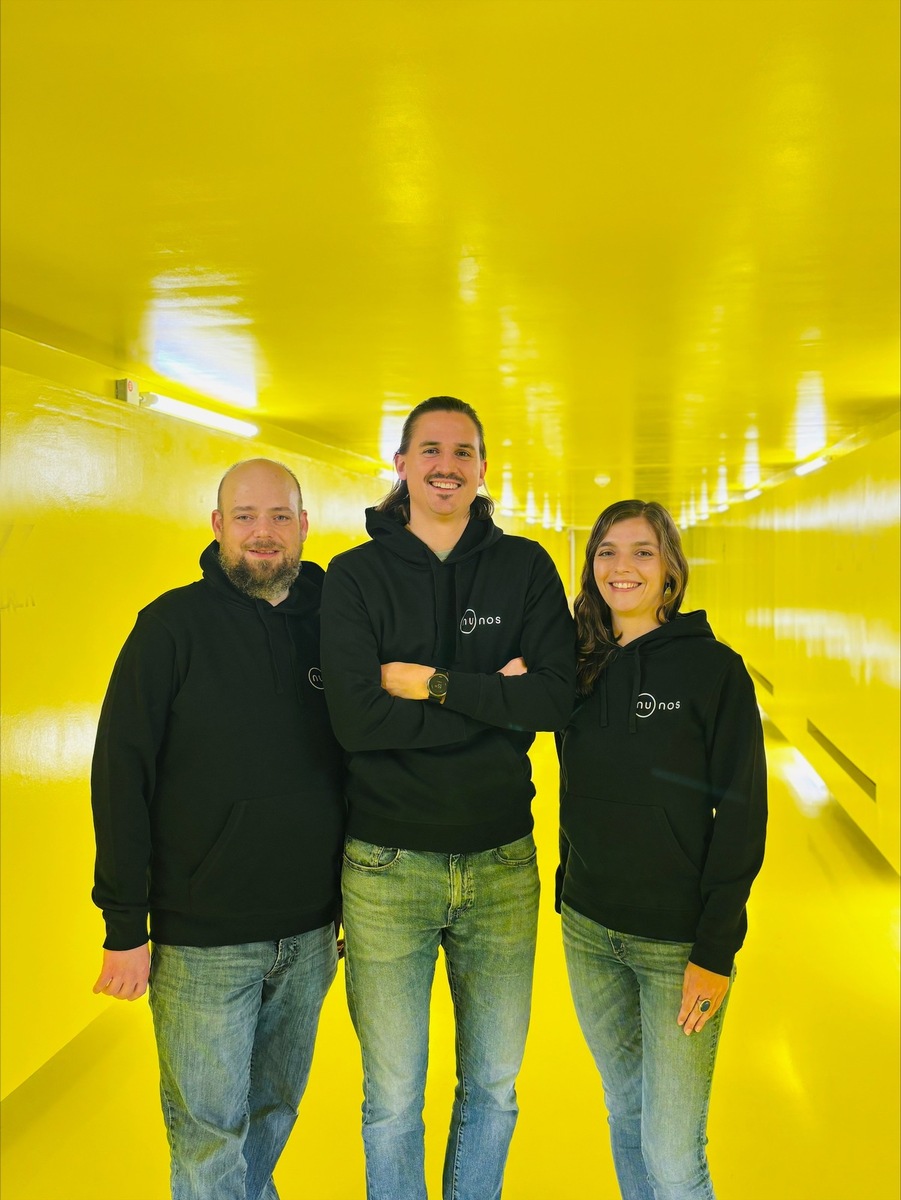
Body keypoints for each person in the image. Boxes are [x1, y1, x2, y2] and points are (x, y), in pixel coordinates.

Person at [321, 396, 575, 1200]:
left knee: (492, 1087)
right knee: (393, 1095)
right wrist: (493, 702)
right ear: (400, 464)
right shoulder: (355, 576)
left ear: (483, 469)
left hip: (502, 864)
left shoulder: (525, 566)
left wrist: (431, 685)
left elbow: (554, 699)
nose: (446, 465)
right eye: (429, 449)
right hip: (385, 866)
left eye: (463, 452)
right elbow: (357, 721)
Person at [90, 458, 345, 1200]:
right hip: (201, 941)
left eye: (279, 516)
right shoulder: (169, 627)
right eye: (245, 516)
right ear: (217, 526)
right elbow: (121, 777)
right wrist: (124, 925)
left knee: (272, 1113)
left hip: (309, 935)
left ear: (303, 525)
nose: (263, 533)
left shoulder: (336, 625)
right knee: (208, 1137)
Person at [557, 498, 767, 1200]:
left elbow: (742, 813)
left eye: (642, 552)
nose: (623, 567)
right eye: (607, 551)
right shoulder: (577, 667)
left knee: (674, 1158)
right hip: (588, 931)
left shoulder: (714, 670)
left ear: (670, 570)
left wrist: (715, 950)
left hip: (677, 946)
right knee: (625, 1114)